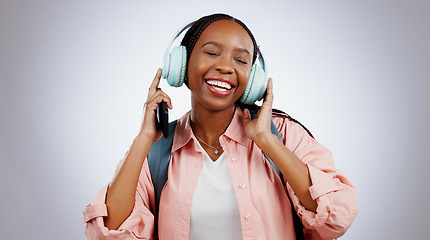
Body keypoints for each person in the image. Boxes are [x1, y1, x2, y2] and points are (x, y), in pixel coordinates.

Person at [83, 13, 357, 240]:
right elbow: (107, 232)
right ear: (181, 65)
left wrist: (267, 142)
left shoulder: (282, 134)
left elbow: (337, 217)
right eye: (212, 53)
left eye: (240, 60)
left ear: (254, 80)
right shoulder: (156, 148)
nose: (226, 67)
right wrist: (144, 138)